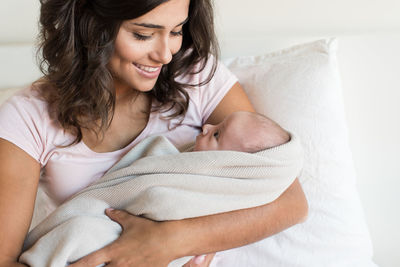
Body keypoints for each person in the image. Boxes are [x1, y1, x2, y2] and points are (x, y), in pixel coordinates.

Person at [0, 0, 308, 266]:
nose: (165, 54)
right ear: (89, 23)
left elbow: (291, 201)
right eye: (143, 34)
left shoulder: (195, 75)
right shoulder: (28, 117)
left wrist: (170, 242)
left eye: (176, 31)